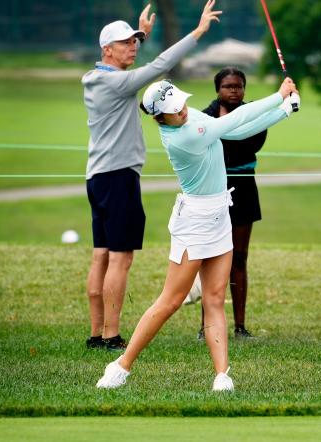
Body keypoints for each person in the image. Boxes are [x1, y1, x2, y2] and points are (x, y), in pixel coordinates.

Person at [95, 77, 299, 391]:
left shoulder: (191, 118)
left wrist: (285, 110)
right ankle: (120, 367)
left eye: (182, 103)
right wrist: (277, 96)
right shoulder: (184, 136)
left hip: (220, 216)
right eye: (175, 109)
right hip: (194, 222)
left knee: (216, 298)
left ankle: (222, 376)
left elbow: (237, 131)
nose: (183, 110)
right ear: (160, 118)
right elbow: (236, 118)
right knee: (170, 302)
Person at [82, 1, 220, 351]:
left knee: (101, 254)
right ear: (106, 50)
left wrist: (142, 33)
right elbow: (159, 67)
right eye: (126, 43)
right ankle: (111, 335)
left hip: (98, 178)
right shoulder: (118, 84)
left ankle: (97, 332)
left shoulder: (98, 79)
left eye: (135, 41)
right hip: (118, 177)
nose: (133, 47)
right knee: (120, 256)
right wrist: (197, 33)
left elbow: (139, 64)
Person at [183, 67, 269, 340]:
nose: (234, 91)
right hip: (213, 191)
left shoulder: (253, 116)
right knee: (210, 259)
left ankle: (240, 327)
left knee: (239, 259)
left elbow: (251, 145)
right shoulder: (204, 117)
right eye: (228, 86)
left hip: (244, 189)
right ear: (217, 90)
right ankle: (206, 325)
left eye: (239, 86)